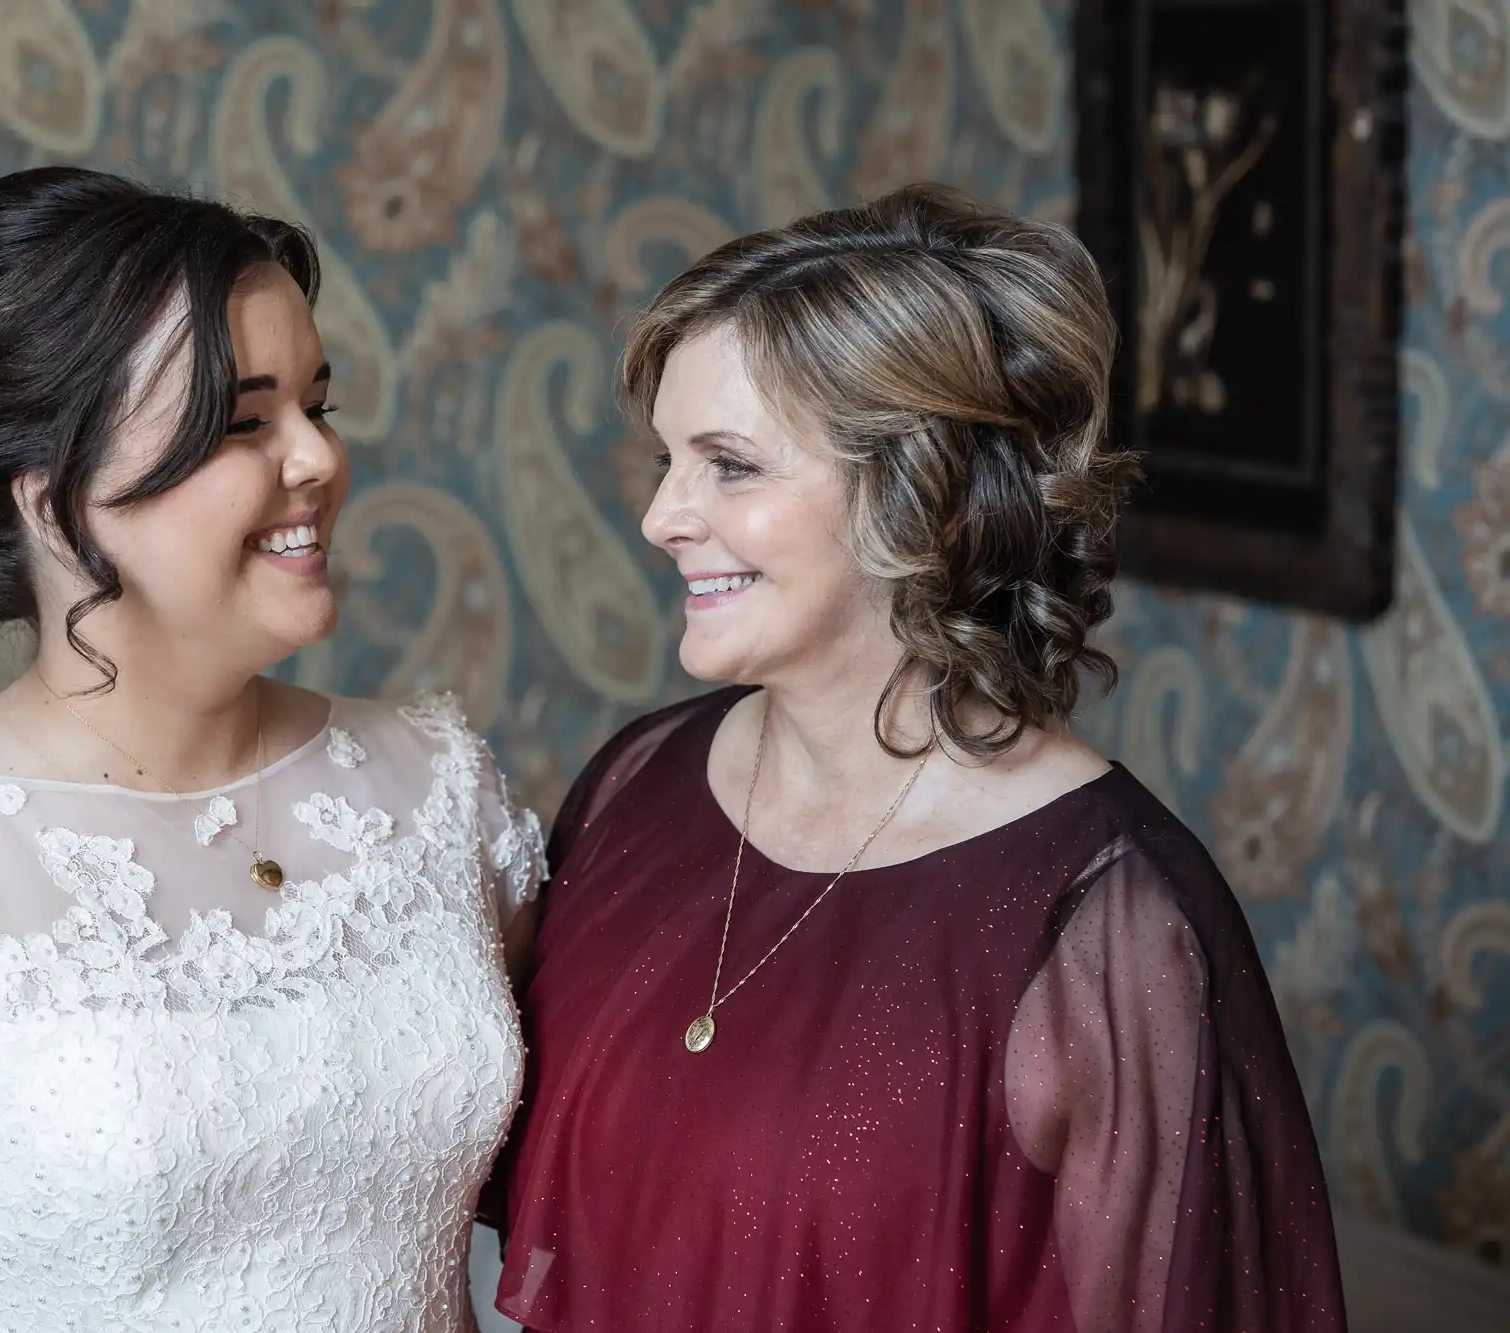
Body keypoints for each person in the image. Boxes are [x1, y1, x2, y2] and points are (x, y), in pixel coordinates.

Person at [0, 166, 545, 1331]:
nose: (315, 459)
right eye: (243, 422)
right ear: (53, 497)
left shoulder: (439, 789)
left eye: (317, 405)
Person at [494, 185, 1345, 1333]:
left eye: (729, 465)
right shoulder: (635, 785)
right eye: (665, 459)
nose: (659, 516)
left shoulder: (1108, 924)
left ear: (925, 499)